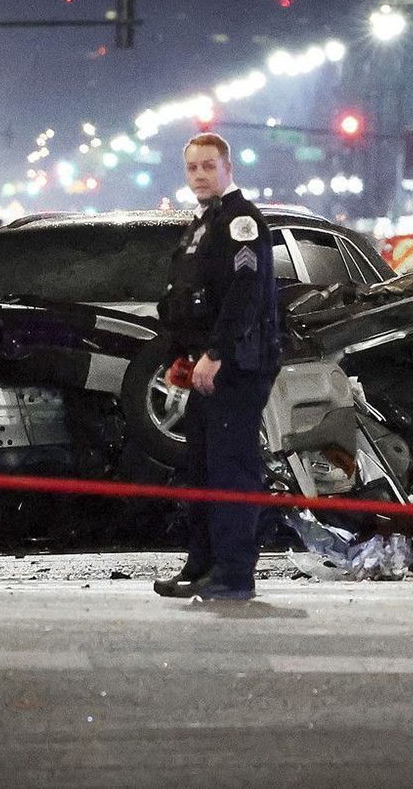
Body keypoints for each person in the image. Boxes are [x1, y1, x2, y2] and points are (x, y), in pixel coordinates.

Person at [153, 133, 279, 603]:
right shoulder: (202, 222)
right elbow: (188, 299)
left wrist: (217, 353)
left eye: (209, 166)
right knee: (202, 468)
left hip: (239, 364)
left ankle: (234, 573)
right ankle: (202, 565)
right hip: (208, 363)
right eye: (193, 168)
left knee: (231, 469)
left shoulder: (241, 220)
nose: (200, 175)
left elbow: (244, 296)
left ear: (228, 167)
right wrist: (179, 358)